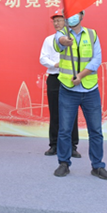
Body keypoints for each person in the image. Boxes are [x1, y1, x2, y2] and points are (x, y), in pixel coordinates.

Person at [53, 10, 107, 180]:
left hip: (90, 90)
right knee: (65, 130)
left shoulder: (92, 35)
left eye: (75, 14)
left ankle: (97, 166)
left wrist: (80, 75)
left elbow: (96, 60)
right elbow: (59, 42)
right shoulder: (62, 33)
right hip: (68, 90)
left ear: (81, 16)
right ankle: (64, 163)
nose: (71, 17)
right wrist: (65, 41)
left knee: (96, 130)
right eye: (68, 15)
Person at [39, 9, 80, 158]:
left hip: (70, 78)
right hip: (54, 78)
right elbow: (43, 58)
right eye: (54, 21)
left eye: (59, 20)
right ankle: (54, 145)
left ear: (66, 22)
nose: (56, 23)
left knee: (71, 113)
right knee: (55, 112)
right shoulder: (49, 40)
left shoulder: (74, 38)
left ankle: (72, 146)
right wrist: (55, 64)